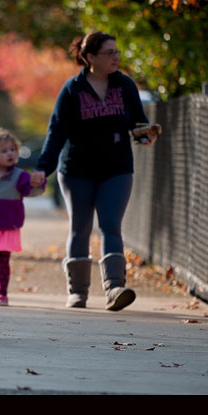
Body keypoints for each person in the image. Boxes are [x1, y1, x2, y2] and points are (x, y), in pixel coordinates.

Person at [30, 31, 158, 311]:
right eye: (109, 53)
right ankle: (78, 292)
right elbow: (57, 132)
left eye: (117, 52)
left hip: (116, 169)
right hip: (77, 170)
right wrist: (43, 168)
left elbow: (137, 121)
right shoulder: (72, 89)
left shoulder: (125, 86)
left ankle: (114, 288)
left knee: (111, 224)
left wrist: (145, 134)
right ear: (90, 57)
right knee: (81, 227)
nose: (116, 57)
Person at [0, 127, 46, 306]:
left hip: (7, 226)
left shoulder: (20, 176)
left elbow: (31, 191)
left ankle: (3, 293)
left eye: (12, 150)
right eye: (4, 150)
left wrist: (39, 183)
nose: (10, 154)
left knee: (2, 261)